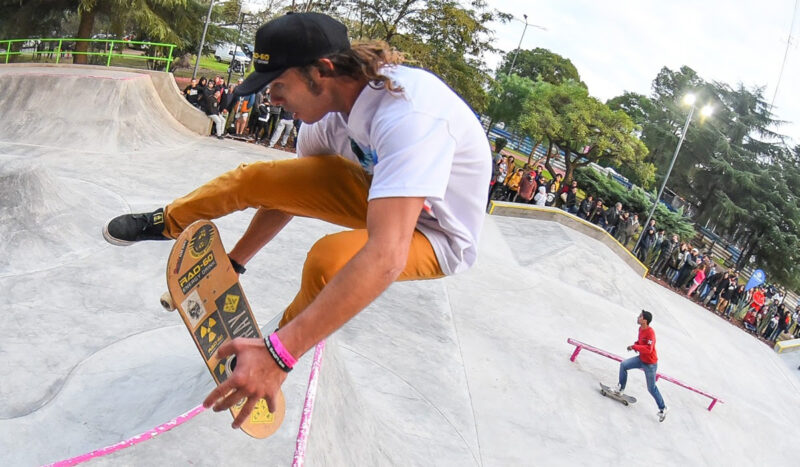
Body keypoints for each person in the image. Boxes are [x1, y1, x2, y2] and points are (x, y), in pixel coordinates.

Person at [101, 12, 491, 429]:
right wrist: (233, 264)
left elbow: (386, 256)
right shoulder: (327, 114)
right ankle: (167, 221)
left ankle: (271, 353)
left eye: (278, 86)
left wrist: (279, 355)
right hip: (379, 194)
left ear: (320, 72)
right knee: (259, 178)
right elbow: (288, 197)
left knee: (329, 261)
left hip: (435, 234)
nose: (273, 100)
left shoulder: (409, 117)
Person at [614, 310, 668, 422]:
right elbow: (641, 343)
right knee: (624, 365)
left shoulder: (650, 333)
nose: (638, 318)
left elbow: (649, 349)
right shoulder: (640, 329)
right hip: (641, 359)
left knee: (651, 388)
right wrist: (635, 345)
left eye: (640, 317)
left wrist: (635, 347)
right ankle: (620, 389)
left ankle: (663, 408)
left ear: (645, 320)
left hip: (650, 364)